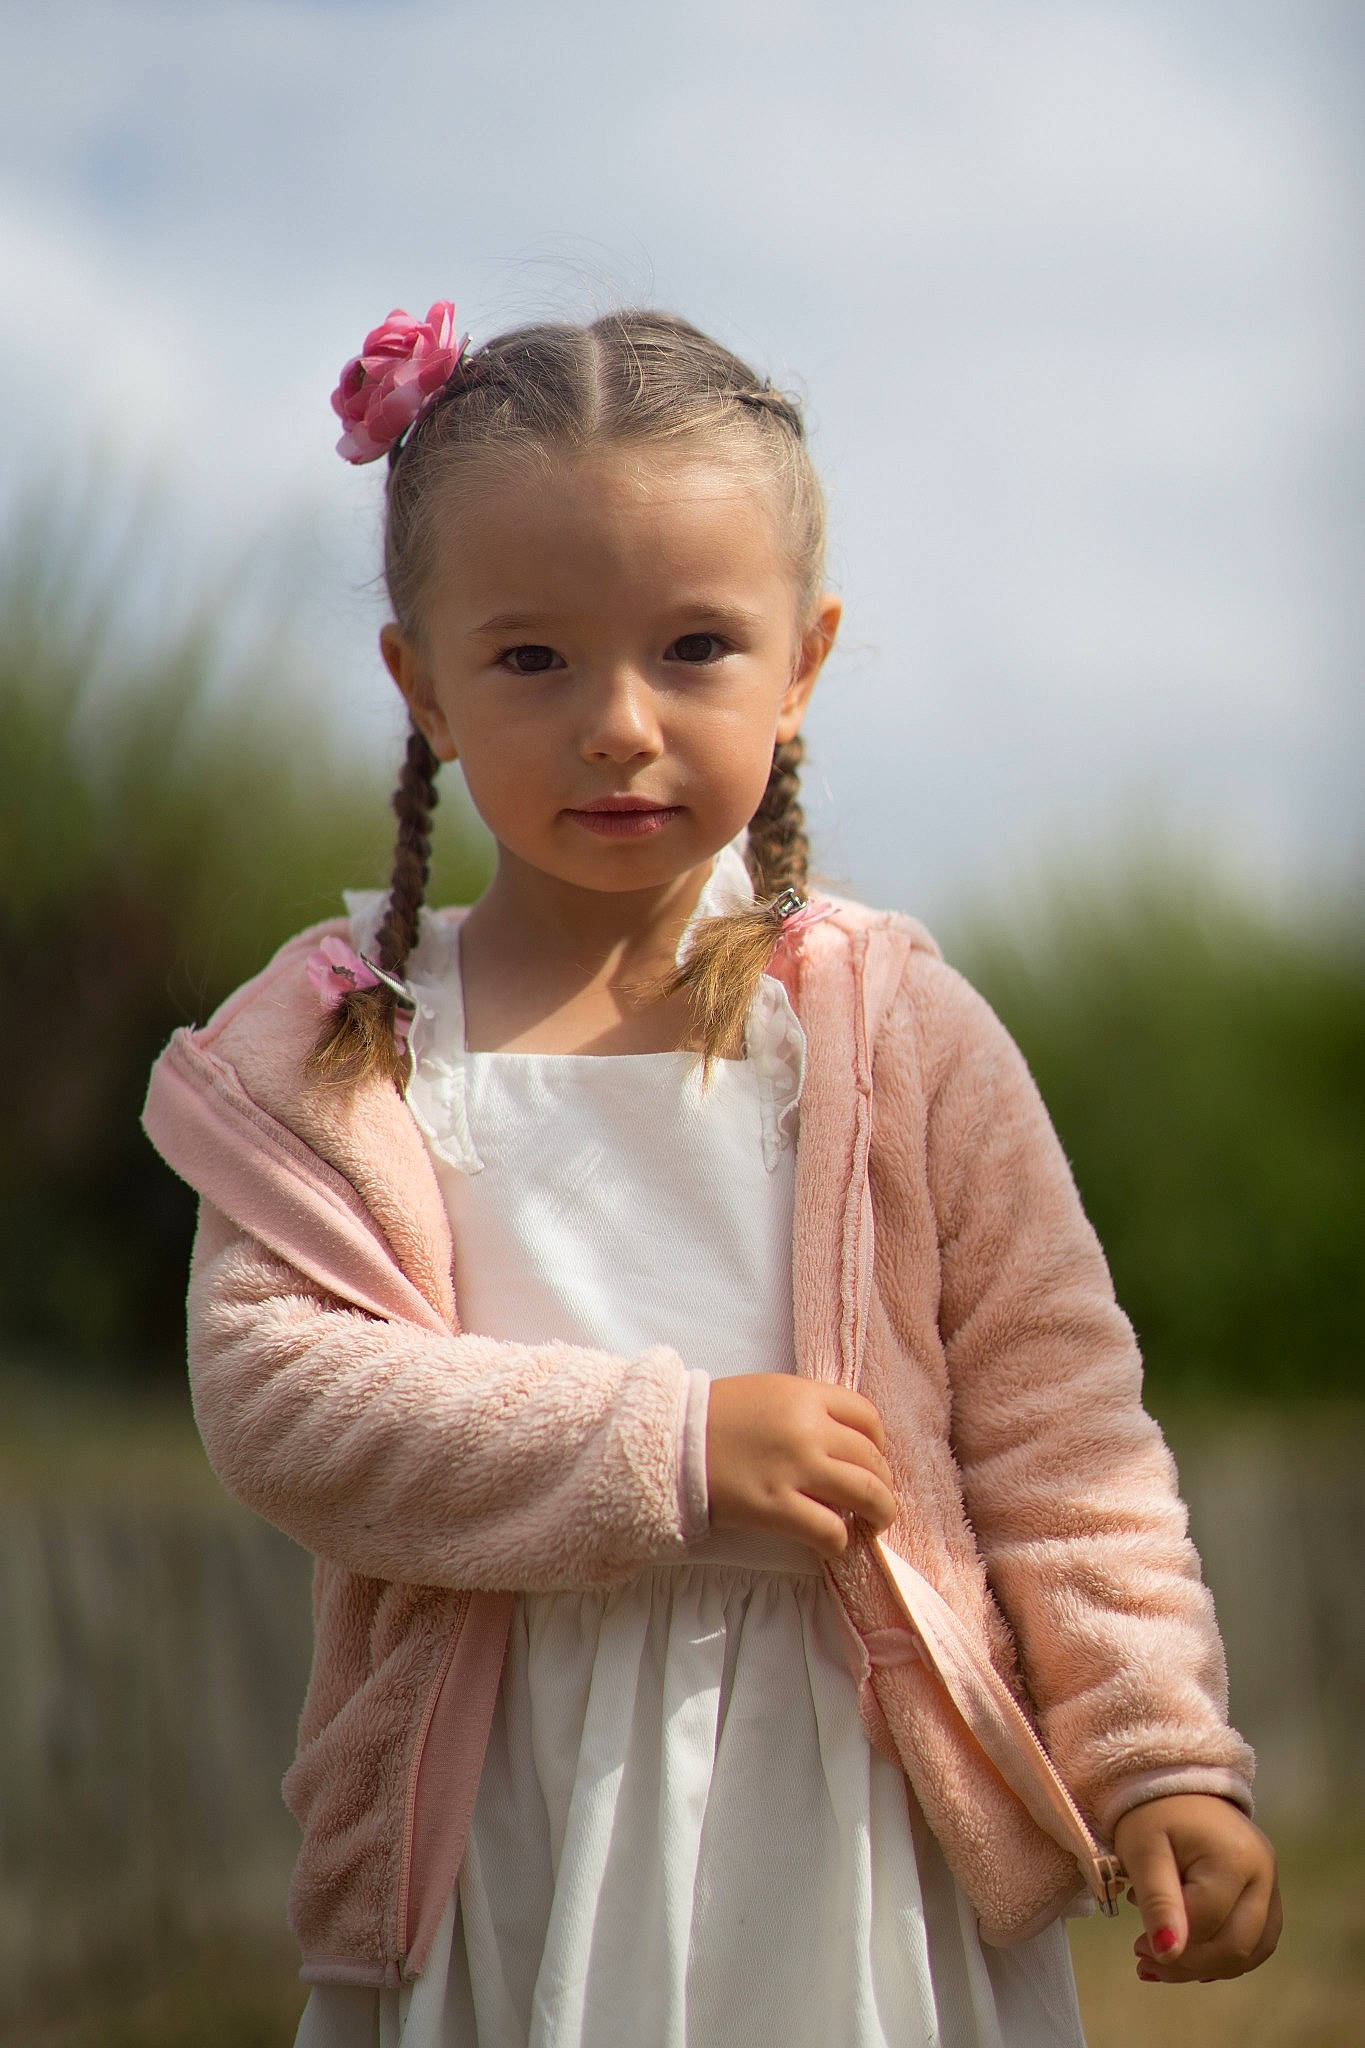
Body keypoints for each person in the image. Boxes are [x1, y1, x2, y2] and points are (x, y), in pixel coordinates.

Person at [141, 299, 1280, 2048]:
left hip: (858, 1824)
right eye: (531, 660)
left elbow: (1064, 1434)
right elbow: (278, 1397)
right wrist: (667, 1452)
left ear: (803, 663)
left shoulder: (897, 1033)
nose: (617, 722)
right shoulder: (343, 1040)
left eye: (692, 647)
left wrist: (1155, 1755)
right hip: (501, 1827)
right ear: (419, 682)